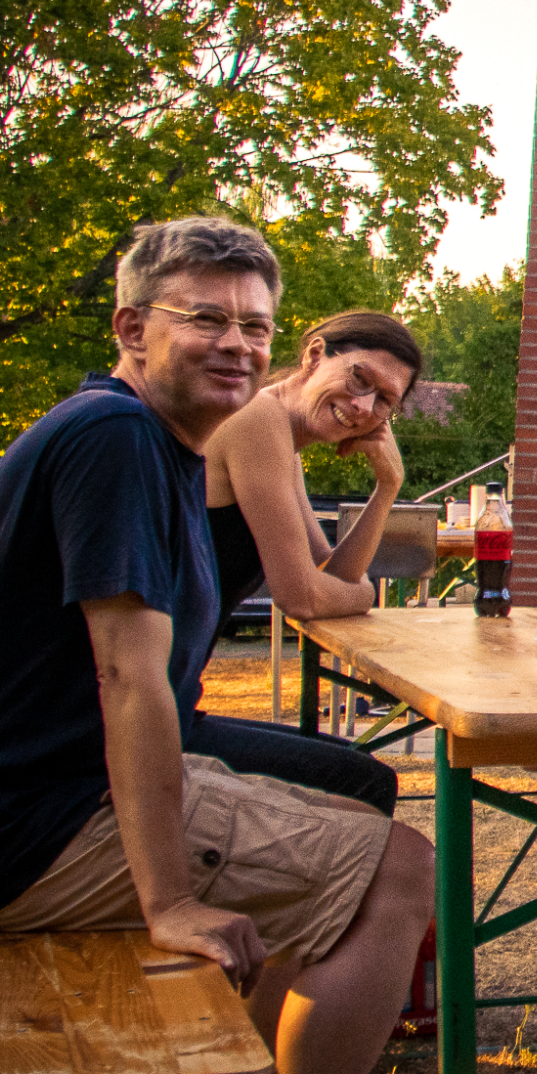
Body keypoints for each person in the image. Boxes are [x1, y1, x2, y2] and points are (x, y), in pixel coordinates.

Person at [0, 217, 440, 1074]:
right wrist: (167, 900)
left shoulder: (152, 438)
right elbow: (131, 678)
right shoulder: (113, 441)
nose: (237, 343)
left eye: (253, 322)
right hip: (30, 825)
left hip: (33, 800)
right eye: (207, 317)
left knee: (351, 823)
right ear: (131, 324)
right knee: (400, 867)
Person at [188, 311, 425, 815]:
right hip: (121, 724)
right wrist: (365, 595)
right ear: (315, 354)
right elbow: (303, 598)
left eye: (385, 401)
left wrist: (387, 489)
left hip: (173, 706)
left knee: (356, 768)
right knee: (361, 783)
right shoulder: (258, 419)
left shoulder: (282, 442)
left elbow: (330, 577)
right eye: (360, 379)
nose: (364, 407)